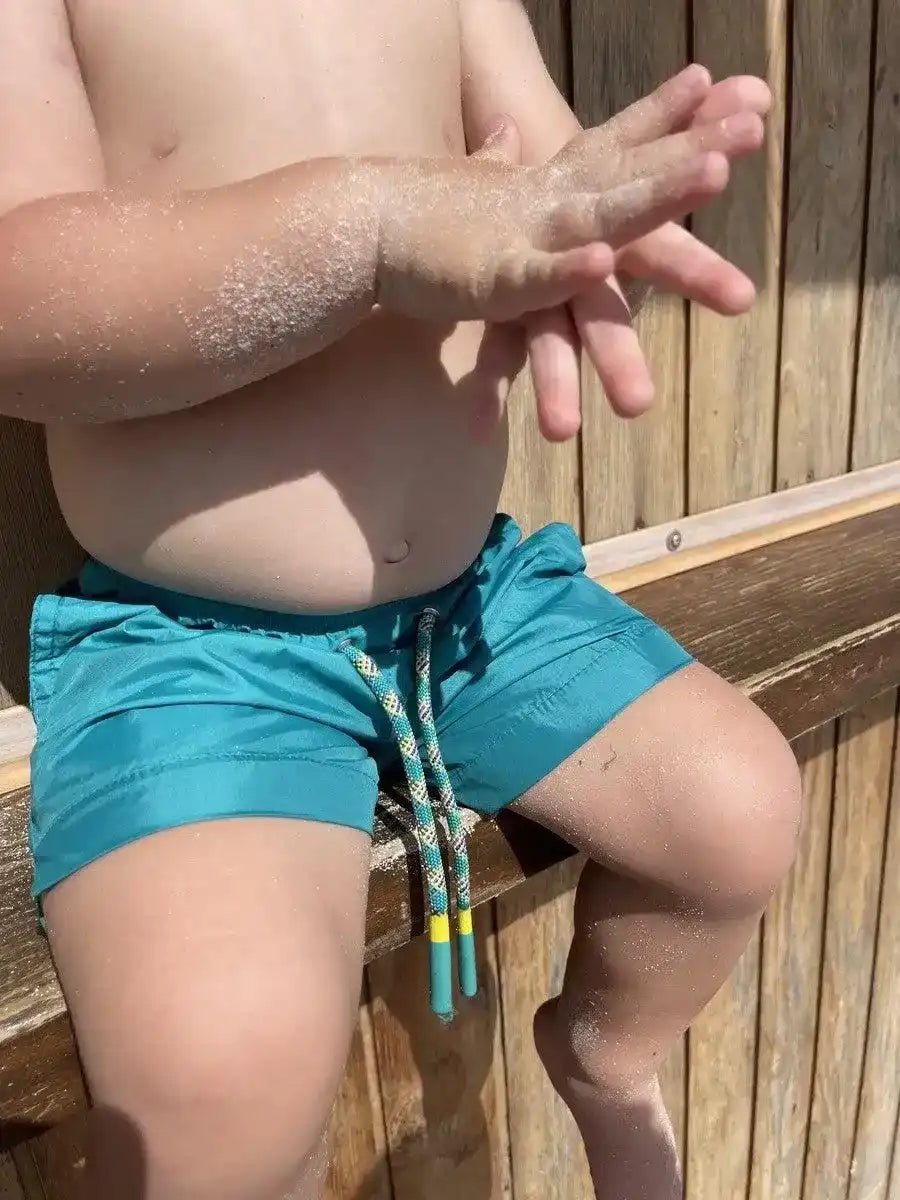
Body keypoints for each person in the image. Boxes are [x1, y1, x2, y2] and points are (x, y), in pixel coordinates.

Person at [1, 2, 800, 1197]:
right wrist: (367, 226)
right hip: (201, 647)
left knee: (737, 813)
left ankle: (609, 1058)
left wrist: (590, 220)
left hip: (473, 607)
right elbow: (20, 300)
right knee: (225, 1068)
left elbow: (541, 170)